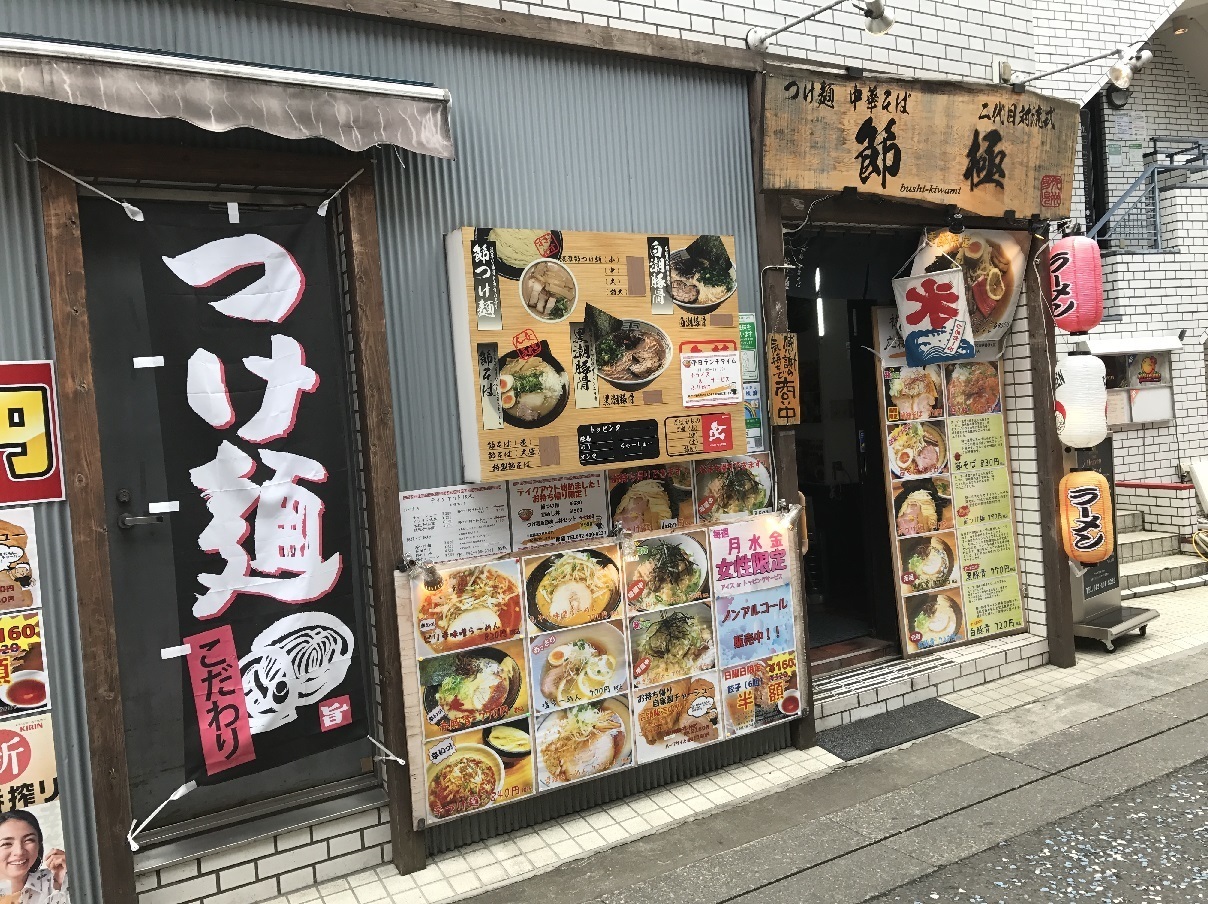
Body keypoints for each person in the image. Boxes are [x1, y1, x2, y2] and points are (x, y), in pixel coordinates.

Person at [0, 811, 68, 903]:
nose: (19, 852)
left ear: (39, 844)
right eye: (6, 843)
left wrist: (69, 880)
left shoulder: (54, 881)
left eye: (29, 840)